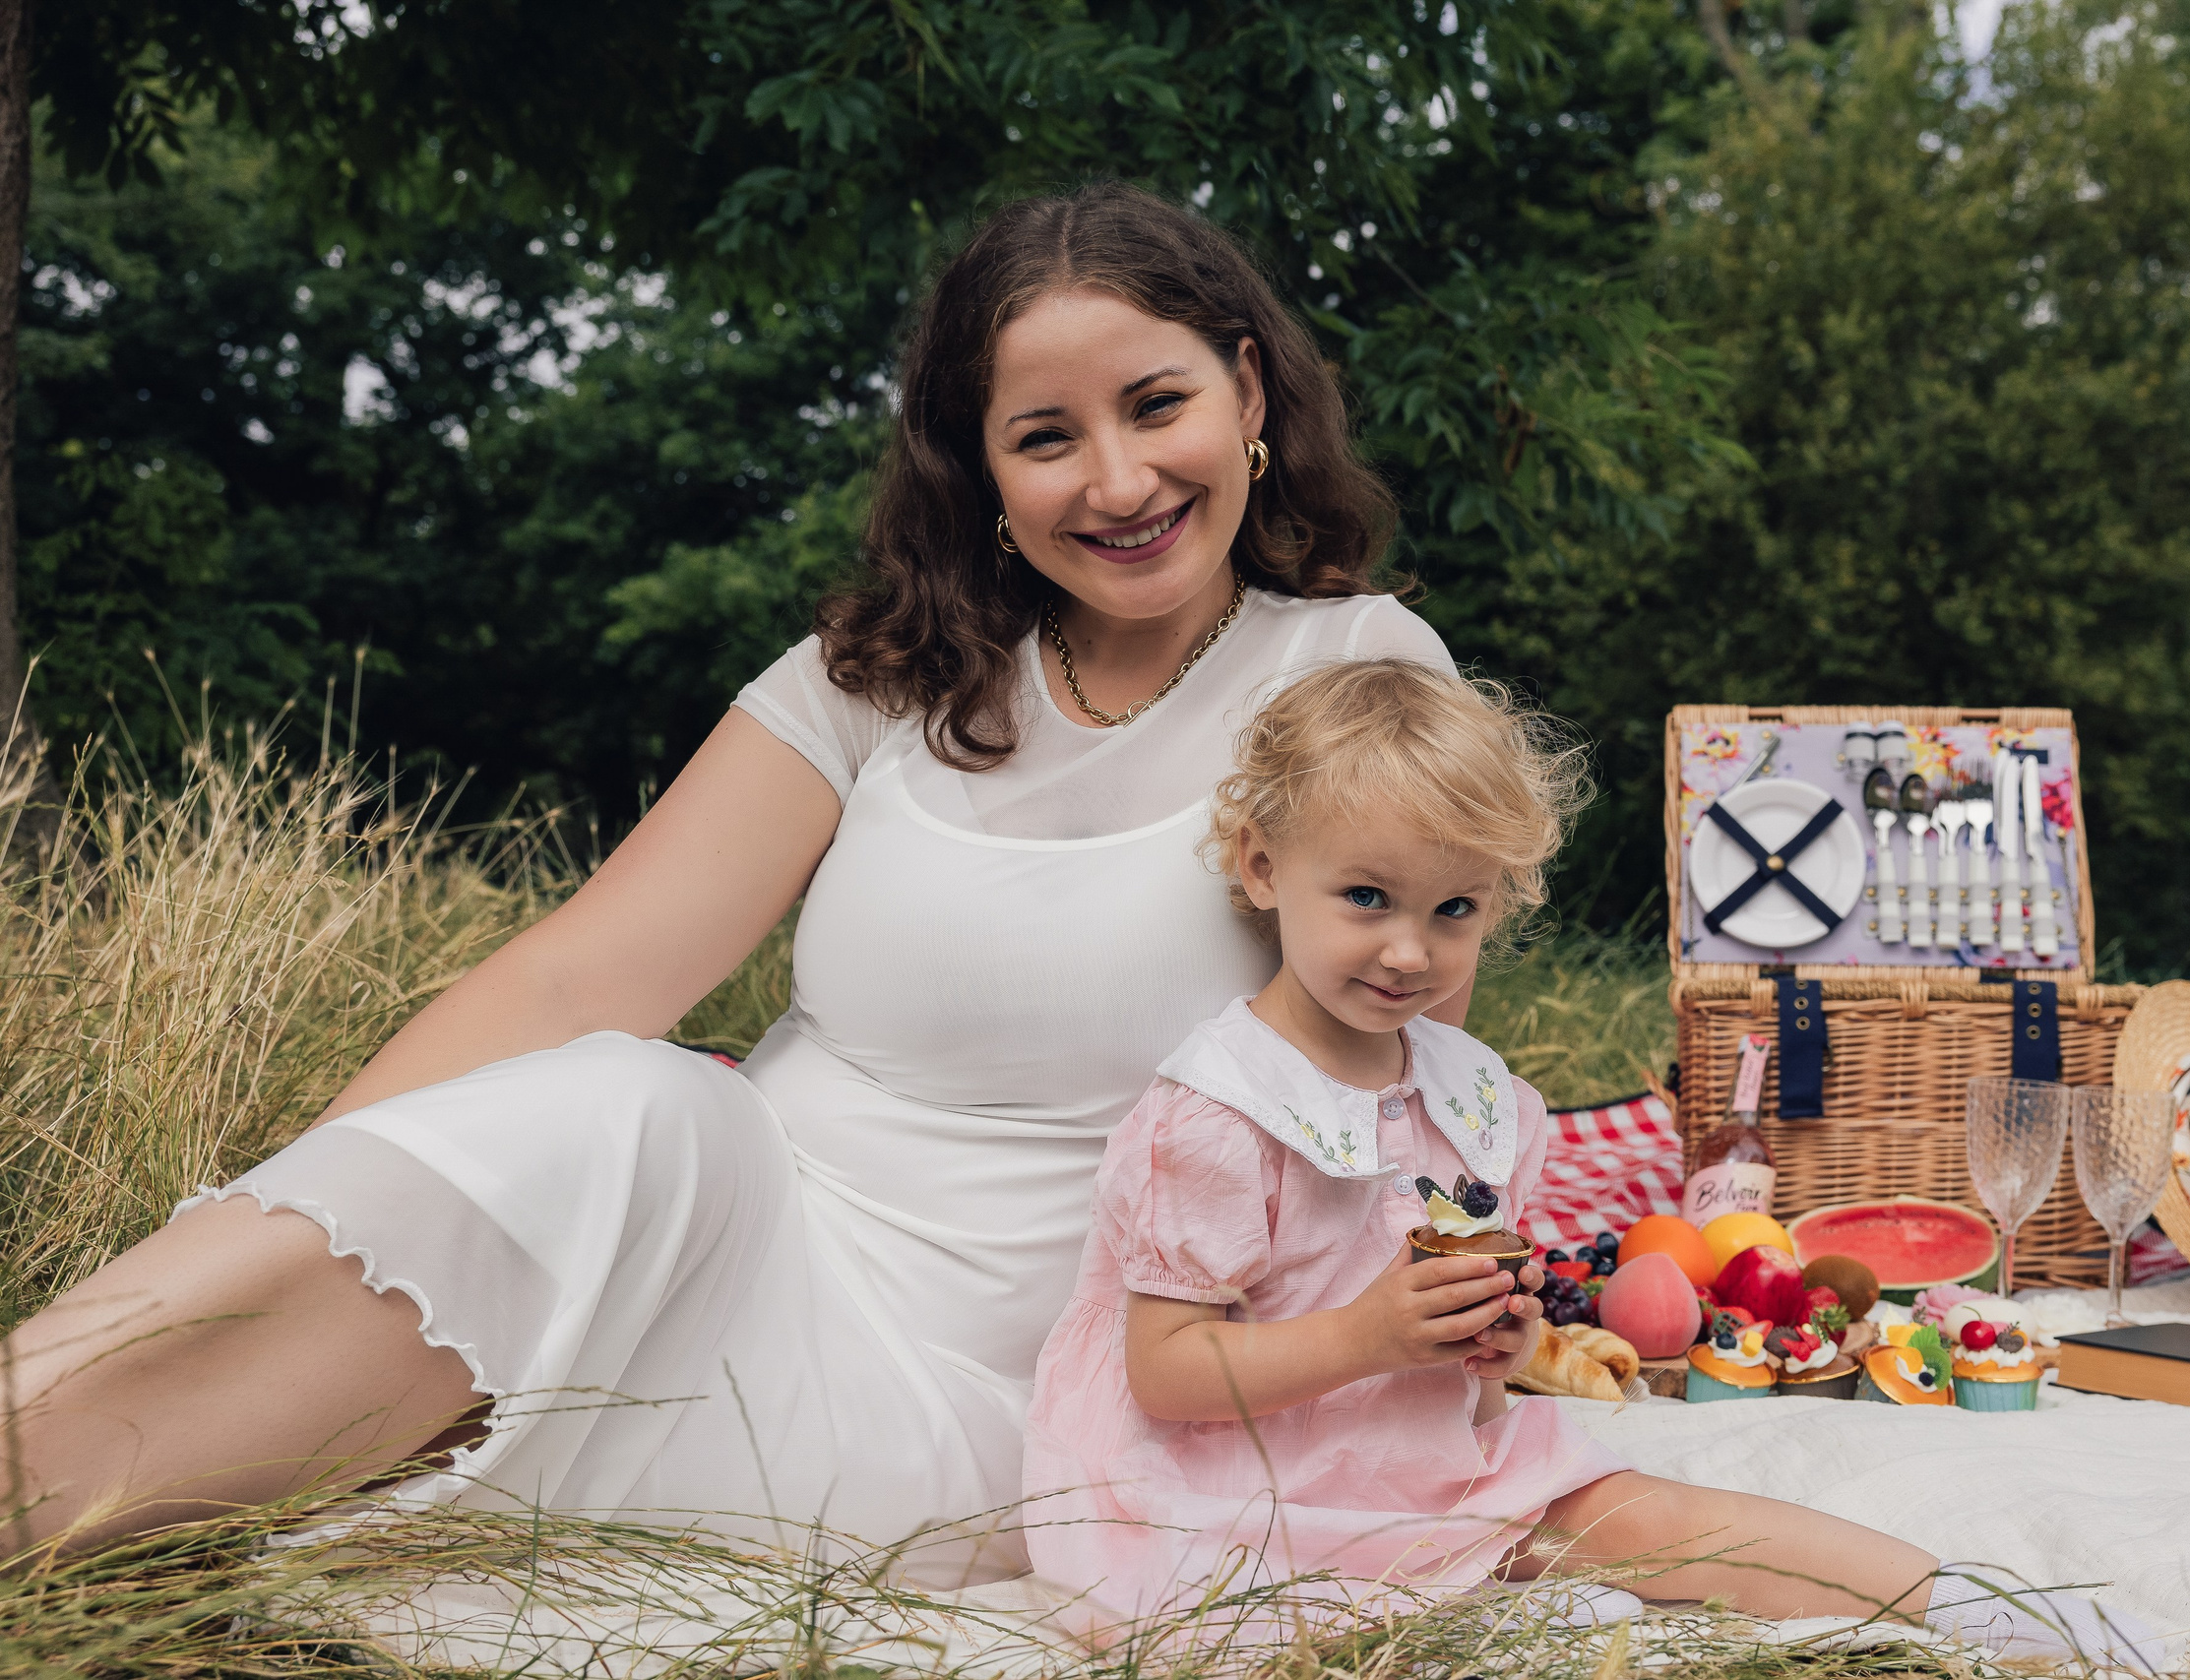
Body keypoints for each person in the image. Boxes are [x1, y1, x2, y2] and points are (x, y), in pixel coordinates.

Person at [0, 183, 1456, 1579]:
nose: (1120, 479)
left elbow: (1395, 1090)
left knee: (636, 1113)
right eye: (1045, 435)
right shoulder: (885, 671)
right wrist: (326, 1200)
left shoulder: (1354, 677)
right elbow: (577, 976)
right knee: (636, 1097)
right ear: (981, 467)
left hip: (986, 1379)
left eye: (1157, 404)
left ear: (1250, 397)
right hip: (737, 1213)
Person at [1022, 659, 1950, 1640]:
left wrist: (1490, 1352)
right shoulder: (1220, 1114)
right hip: (1242, 1489)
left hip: (1416, 1453)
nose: (1410, 952)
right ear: (1261, 867)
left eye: (1453, 909)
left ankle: (1981, 1607)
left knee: (1658, 1516)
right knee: (1287, 1626)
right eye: (1366, 896)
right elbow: (1165, 1374)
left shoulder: (1465, 1098)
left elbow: (1471, 1371)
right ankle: (1505, 1609)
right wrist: (1365, 1338)